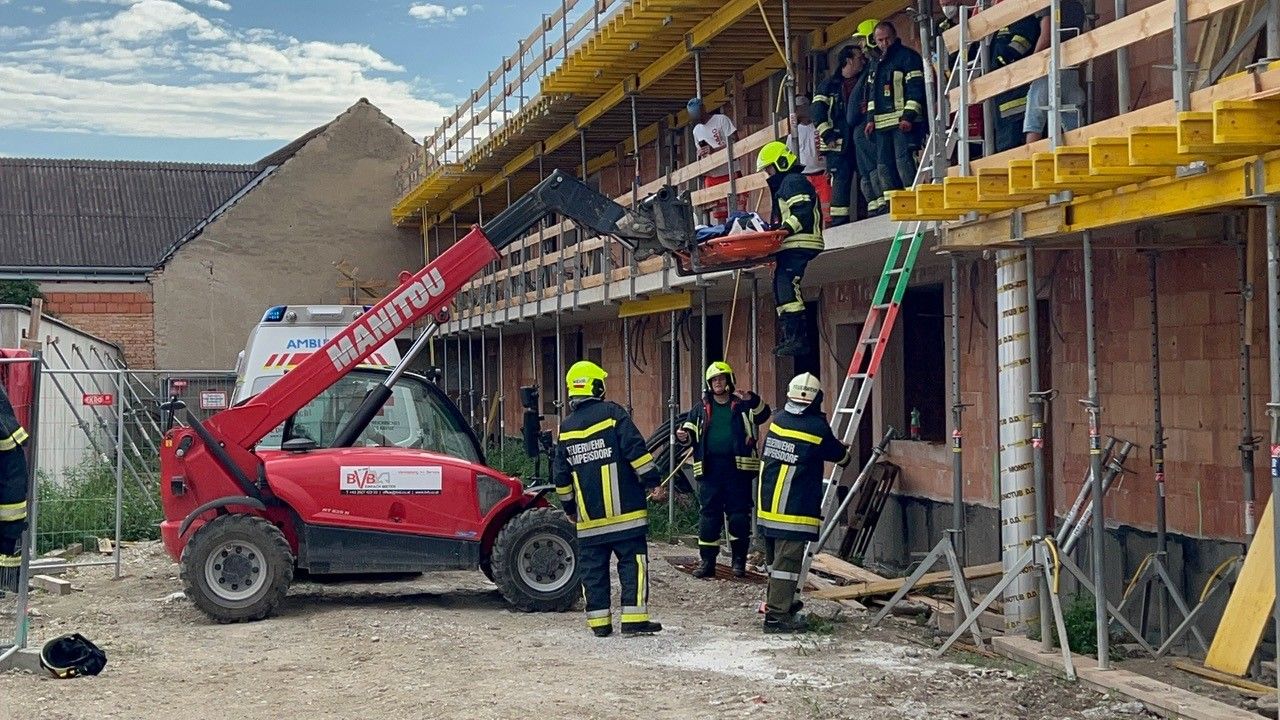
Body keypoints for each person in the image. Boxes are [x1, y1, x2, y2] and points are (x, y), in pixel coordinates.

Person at [552, 360, 666, 638]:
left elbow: (561, 477)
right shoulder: (613, 414)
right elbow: (636, 451)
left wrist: (569, 508)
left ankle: (600, 625)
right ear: (597, 386)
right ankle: (634, 620)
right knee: (632, 564)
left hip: (589, 519)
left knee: (593, 570)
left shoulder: (566, 428)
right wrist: (654, 483)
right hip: (625, 514)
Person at [756, 373, 851, 634]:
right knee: (787, 566)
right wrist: (844, 452)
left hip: (768, 506)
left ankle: (779, 606)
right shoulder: (815, 427)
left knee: (776, 565)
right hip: (792, 508)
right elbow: (839, 456)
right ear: (816, 400)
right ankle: (777, 617)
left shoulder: (779, 419)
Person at [675, 361, 770, 579]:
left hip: (738, 471)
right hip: (710, 471)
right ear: (709, 384)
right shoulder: (701, 407)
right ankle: (708, 562)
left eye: (721, 378)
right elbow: (689, 432)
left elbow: (763, 415)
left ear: (729, 380)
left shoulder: (741, 405)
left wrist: (752, 398)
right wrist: (683, 437)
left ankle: (738, 562)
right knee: (710, 518)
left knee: (738, 517)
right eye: (714, 380)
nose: (718, 383)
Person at [757, 140, 823, 357]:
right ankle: (790, 337)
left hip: (801, 241)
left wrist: (783, 231)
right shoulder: (786, 183)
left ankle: (798, 339)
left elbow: (802, 211)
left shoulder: (793, 181)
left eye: (769, 168)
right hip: (790, 244)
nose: (768, 174)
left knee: (787, 284)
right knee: (780, 287)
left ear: (781, 163)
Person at [811, 37, 875, 225]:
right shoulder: (828, 85)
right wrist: (827, 134)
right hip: (837, 143)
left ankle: (871, 212)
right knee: (841, 180)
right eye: (858, 58)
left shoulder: (864, 81)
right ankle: (839, 220)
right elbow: (817, 113)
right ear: (847, 61)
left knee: (867, 174)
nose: (862, 61)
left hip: (861, 139)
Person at [865, 21, 926, 207]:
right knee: (884, 166)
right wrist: (870, 120)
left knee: (903, 162)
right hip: (881, 125)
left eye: (886, 39)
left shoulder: (908, 57)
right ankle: (893, 204)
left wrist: (908, 117)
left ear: (894, 37)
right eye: (879, 40)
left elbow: (916, 90)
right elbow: (871, 96)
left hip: (903, 123)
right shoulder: (876, 63)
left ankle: (913, 200)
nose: (884, 44)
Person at [1024, 0, 1086, 143]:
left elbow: (1046, 36)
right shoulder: (1077, 6)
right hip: (1071, 69)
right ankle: (1077, 159)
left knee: (1035, 117)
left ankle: (1030, 159)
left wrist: (1032, 64)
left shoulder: (1048, 4)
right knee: (1073, 122)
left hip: (1049, 67)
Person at [688, 97, 739, 224]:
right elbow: (699, 150)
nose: (695, 118)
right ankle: (722, 236)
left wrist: (714, 150)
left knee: (736, 210)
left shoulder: (721, 120)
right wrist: (701, 154)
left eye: (697, 114)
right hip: (712, 175)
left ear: (703, 109)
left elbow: (735, 141)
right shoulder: (696, 131)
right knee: (720, 214)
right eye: (692, 116)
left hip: (729, 171)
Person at [0, 383, 30, 593]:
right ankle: (10, 581)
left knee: (10, 533)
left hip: (11, 485)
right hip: (12, 483)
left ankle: (10, 580)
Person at [790, 96, 830, 226]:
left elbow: (828, 149)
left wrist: (829, 167)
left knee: (827, 209)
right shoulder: (793, 134)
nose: (800, 111)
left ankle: (829, 231)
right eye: (798, 108)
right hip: (805, 176)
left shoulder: (819, 127)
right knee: (808, 210)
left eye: (802, 107)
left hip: (822, 174)